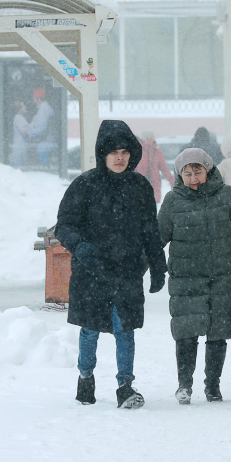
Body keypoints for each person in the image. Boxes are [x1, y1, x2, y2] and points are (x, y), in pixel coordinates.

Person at [55, 119, 168, 409]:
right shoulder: (85, 185)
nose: (120, 158)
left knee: (124, 329)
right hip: (91, 272)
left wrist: (157, 264)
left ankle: (125, 386)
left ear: (132, 154)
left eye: (125, 152)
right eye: (114, 152)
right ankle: (85, 376)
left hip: (127, 272)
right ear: (103, 154)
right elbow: (64, 225)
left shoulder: (140, 187)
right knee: (90, 329)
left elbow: (149, 230)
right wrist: (80, 247)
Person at [157, 148, 231, 404]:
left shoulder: (227, 196)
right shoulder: (173, 201)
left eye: (198, 172)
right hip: (186, 280)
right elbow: (156, 239)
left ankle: (213, 386)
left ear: (208, 171)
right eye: (187, 173)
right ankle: (184, 385)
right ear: (179, 174)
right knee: (186, 332)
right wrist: (139, 267)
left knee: (218, 332)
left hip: (223, 278)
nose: (193, 178)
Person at [135, 130, 175, 203]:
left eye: (150, 138)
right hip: (147, 184)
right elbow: (164, 169)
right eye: (147, 138)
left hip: (146, 184)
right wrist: (172, 181)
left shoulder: (139, 151)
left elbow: (164, 169)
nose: (149, 140)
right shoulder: (138, 150)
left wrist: (172, 181)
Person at [27, 88, 56, 165]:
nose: (34, 101)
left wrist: (29, 133)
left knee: (41, 155)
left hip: (46, 142)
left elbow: (40, 128)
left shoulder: (43, 110)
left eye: (34, 99)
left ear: (38, 99)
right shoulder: (45, 108)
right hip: (48, 140)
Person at [9, 100, 32, 168]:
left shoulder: (21, 118)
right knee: (18, 167)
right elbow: (25, 133)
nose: (25, 107)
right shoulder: (18, 119)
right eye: (23, 106)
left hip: (21, 146)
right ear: (19, 109)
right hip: (19, 147)